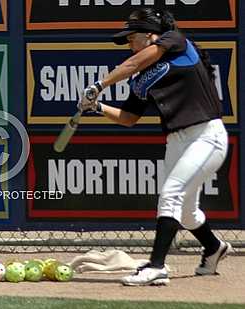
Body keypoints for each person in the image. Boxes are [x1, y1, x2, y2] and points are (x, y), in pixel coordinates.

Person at [79, 8, 231, 286]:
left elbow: (136, 61)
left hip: (206, 135)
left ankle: (157, 266)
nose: (129, 44)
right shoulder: (141, 80)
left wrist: (100, 84)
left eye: (132, 38)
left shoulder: (177, 42)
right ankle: (213, 248)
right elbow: (128, 118)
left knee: (170, 193)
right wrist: (97, 106)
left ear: (151, 36)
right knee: (186, 211)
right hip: (176, 140)